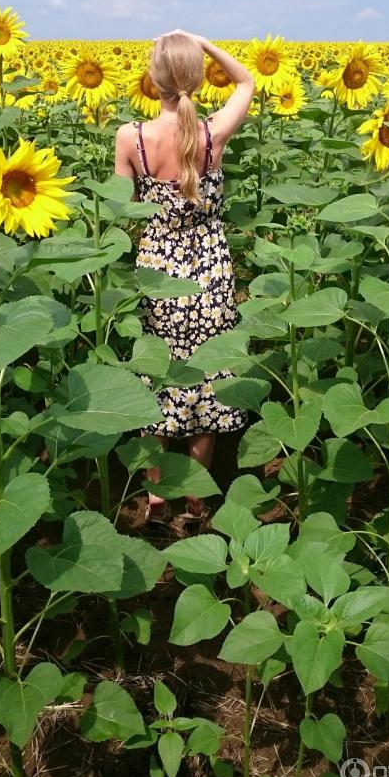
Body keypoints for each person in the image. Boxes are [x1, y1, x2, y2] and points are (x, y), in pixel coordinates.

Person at [114, 29, 255, 527]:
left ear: (152, 82)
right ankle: (198, 499)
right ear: (197, 80)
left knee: (159, 378)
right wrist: (207, 42)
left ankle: (155, 497)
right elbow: (247, 81)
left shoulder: (131, 138)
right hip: (211, 269)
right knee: (208, 382)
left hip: (161, 273)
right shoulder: (212, 132)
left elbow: (119, 207)